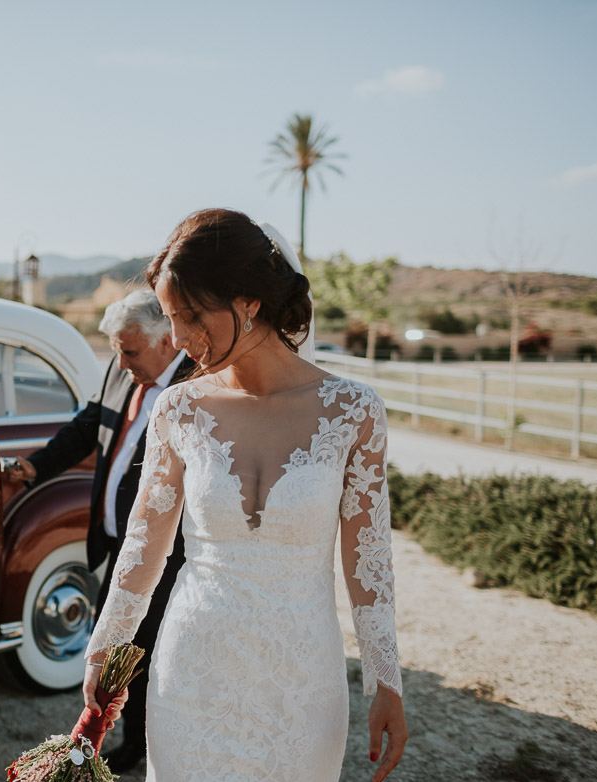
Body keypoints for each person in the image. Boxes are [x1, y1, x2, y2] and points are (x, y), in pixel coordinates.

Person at [81, 209, 408, 782]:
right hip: (192, 670)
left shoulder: (354, 411)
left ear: (249, 301)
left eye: (190, 316)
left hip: (302, 679)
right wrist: (106, 649)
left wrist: (387, 682)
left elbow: (368, 562)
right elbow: (143, 547)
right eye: (170, 318)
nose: (177, 338)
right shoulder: (178, 409)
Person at [4, 289, 196, 773]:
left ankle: (159, 749)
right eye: (117, 349)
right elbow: (89, 424)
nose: (122, 361)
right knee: (122, 649)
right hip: (116, 542)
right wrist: (35, 467)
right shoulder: (122, 367)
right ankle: (131, 743)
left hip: (170, 554)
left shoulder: (199, 385)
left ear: (168, 340)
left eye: (130, 351)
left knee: (156, 654)